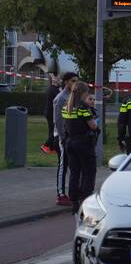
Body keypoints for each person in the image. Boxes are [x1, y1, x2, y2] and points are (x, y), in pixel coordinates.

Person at [61, 81, 98, 213]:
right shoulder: (83, 108)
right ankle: (85, 199)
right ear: (83, 93)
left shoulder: (66, 107)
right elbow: (93, 125)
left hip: (69, 142)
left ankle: (74, 201)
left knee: (74, 173)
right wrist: (96, 121)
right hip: (83, 143)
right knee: (89, 172)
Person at [52, 71, 78, 207]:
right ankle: (61, 194)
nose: (75, 83)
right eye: (73, 81)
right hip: (63, 136)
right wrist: (62, 137)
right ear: (66, 82)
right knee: (63, 164)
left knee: (72, 164)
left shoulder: (73, 95)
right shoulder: (61, 97)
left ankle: (74, 192)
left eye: (76, 81)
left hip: (72, 135)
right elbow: (57, 120)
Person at [41, 74, 60, 155]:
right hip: (52, 113)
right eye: (58, 79)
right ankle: (46, 145)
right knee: (54, 130)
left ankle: (51, 147)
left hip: (49, 112)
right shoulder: (54, 90)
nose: (59, 80)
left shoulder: (50, 89)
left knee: (51, 129)